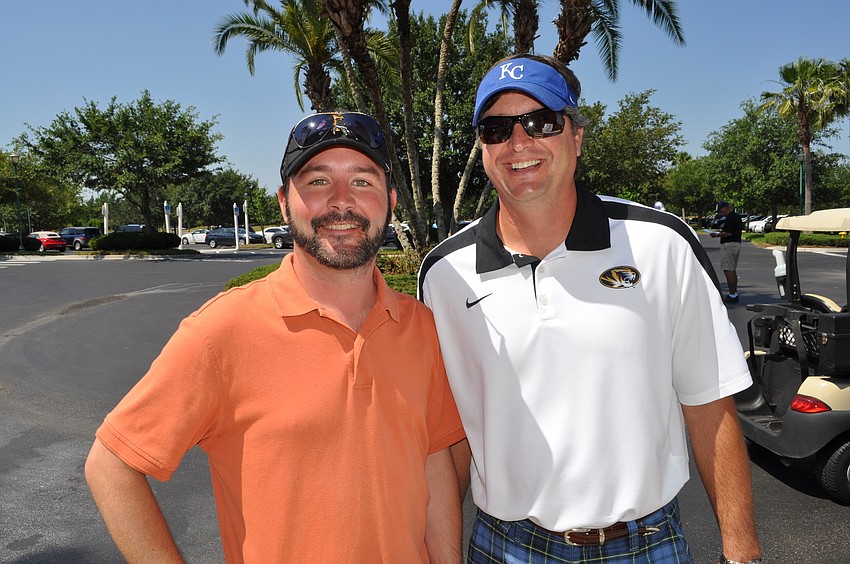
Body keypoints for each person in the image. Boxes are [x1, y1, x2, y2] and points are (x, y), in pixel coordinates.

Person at [418, 54, 762, 563]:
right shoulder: (445, 275)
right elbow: (452, 441)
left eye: (541, 122)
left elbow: (708, 403)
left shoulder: (660, 244)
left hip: (647, 545)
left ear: (575, 137)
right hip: (506, 548)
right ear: (483, 149)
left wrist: (742, 552)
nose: (519, 143)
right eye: (496, 128)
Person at [85, 111, 465, 563]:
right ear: (285, 202)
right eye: (318, 181)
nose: (341, 201)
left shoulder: (420, 326)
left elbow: (435, 459)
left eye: (362, 181)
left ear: (391, 199)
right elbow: (111, 464)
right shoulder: (223, 330)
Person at [711, 201, 743, 303]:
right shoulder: (737, 216)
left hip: (729, 245)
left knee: (727, 270)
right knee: (732, 270)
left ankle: (732, 295)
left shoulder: (730, 217)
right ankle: (734, 293)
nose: (721, 213)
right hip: (736, 244)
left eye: (720, 210)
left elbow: (728, 233)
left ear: (725, 208)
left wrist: (716, 235)